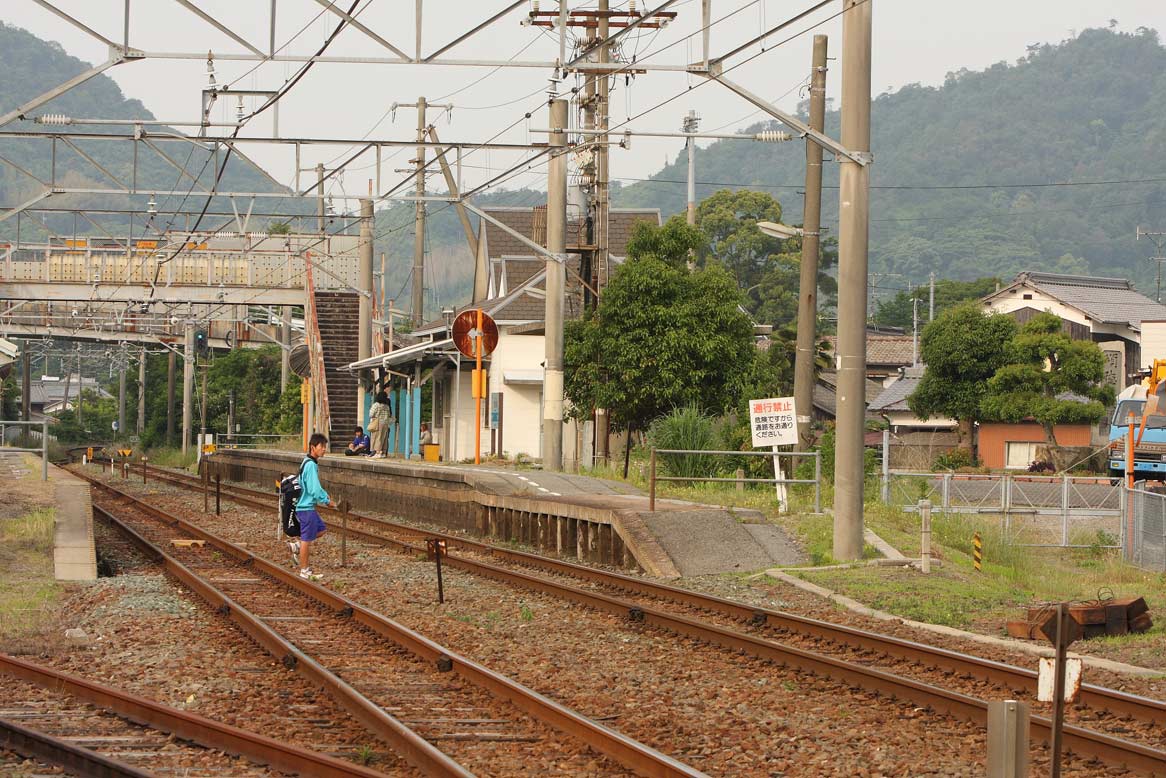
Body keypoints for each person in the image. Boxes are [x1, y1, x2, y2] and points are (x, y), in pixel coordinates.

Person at [290, 433, 335, 581]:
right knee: (307, 540)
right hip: (306, 507)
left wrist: (326, 495)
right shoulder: (310, 465)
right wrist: (326, 501)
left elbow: (316, 486)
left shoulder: (308, 462)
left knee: (321, 530)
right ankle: (304, 570)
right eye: (321, 447)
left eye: (325, 447)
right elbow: (314, 489)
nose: (324, 450)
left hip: (307, 507)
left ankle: (297, 546)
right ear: (313, 447)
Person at [369, 390, 393, 458]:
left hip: (378, 423)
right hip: (385, 423)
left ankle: (378, 452)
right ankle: (383, 452)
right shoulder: (387, 406)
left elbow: (371, 414)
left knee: (377, 437)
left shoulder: (376, 405)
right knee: (384, 438)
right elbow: (389, 415)